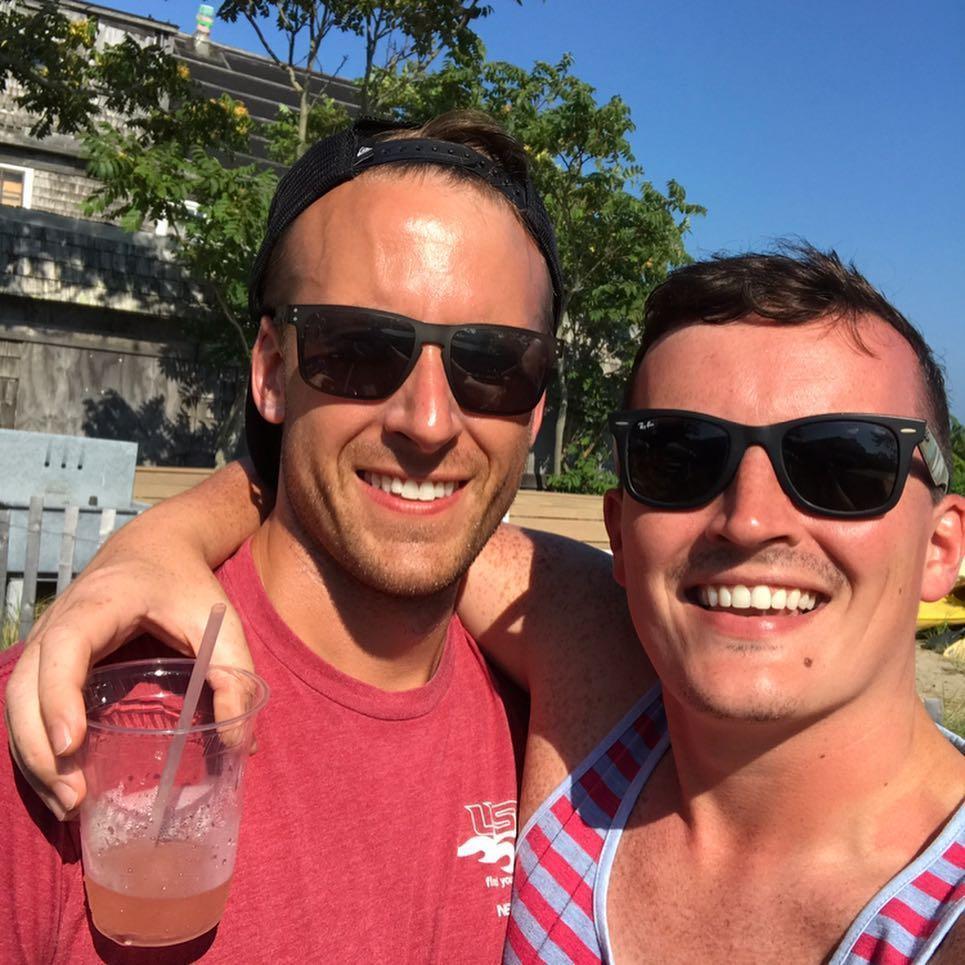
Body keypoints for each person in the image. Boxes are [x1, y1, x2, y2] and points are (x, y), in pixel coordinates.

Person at [7, 247, 964, 962]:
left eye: (841, 464)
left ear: (941, 545)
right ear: (622, 528)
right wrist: (161, 540)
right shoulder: (599, 678)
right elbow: (392, 517)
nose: (749, 518)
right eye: (680, 457)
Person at [0, 108, 601, 963]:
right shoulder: (59, 727)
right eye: (360, 349)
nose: (429, 420)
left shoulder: (569, 731)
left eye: (493, 363)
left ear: (535, 408)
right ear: (273, 371)